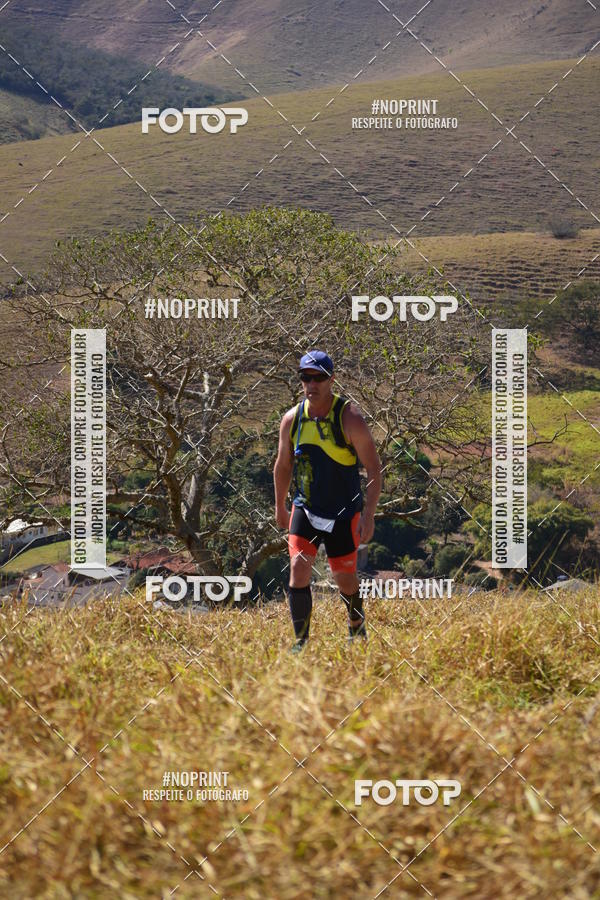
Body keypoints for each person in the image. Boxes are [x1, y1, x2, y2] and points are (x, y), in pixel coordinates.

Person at [274, 349, 382, 651]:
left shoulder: (349, 418)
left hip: (344, 513)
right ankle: (301, 643)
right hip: (306, 507)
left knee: (344, 578)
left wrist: (369, 515)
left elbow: (373, 468)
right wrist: (280, 505)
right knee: (298, 568)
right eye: (306, 377)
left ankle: (356, 626)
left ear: (331, 379)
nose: (312, 384)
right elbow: (283, 465)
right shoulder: (292, 420)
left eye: (319, 377)